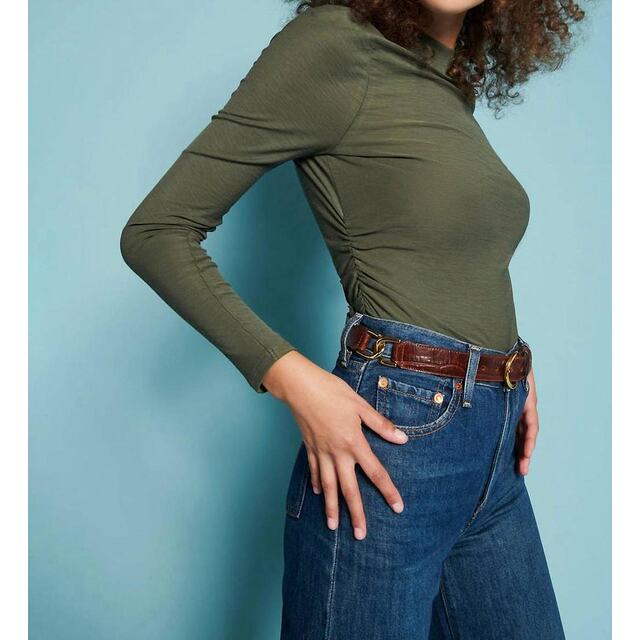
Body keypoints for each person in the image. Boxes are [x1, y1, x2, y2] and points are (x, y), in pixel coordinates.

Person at [120, 1, 585, 637]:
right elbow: (156, 232)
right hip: (394, 436)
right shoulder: (335, 44)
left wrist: (505, 363)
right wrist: (294, 379)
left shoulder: (446, 86)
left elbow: (440, 253)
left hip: (493, 444)